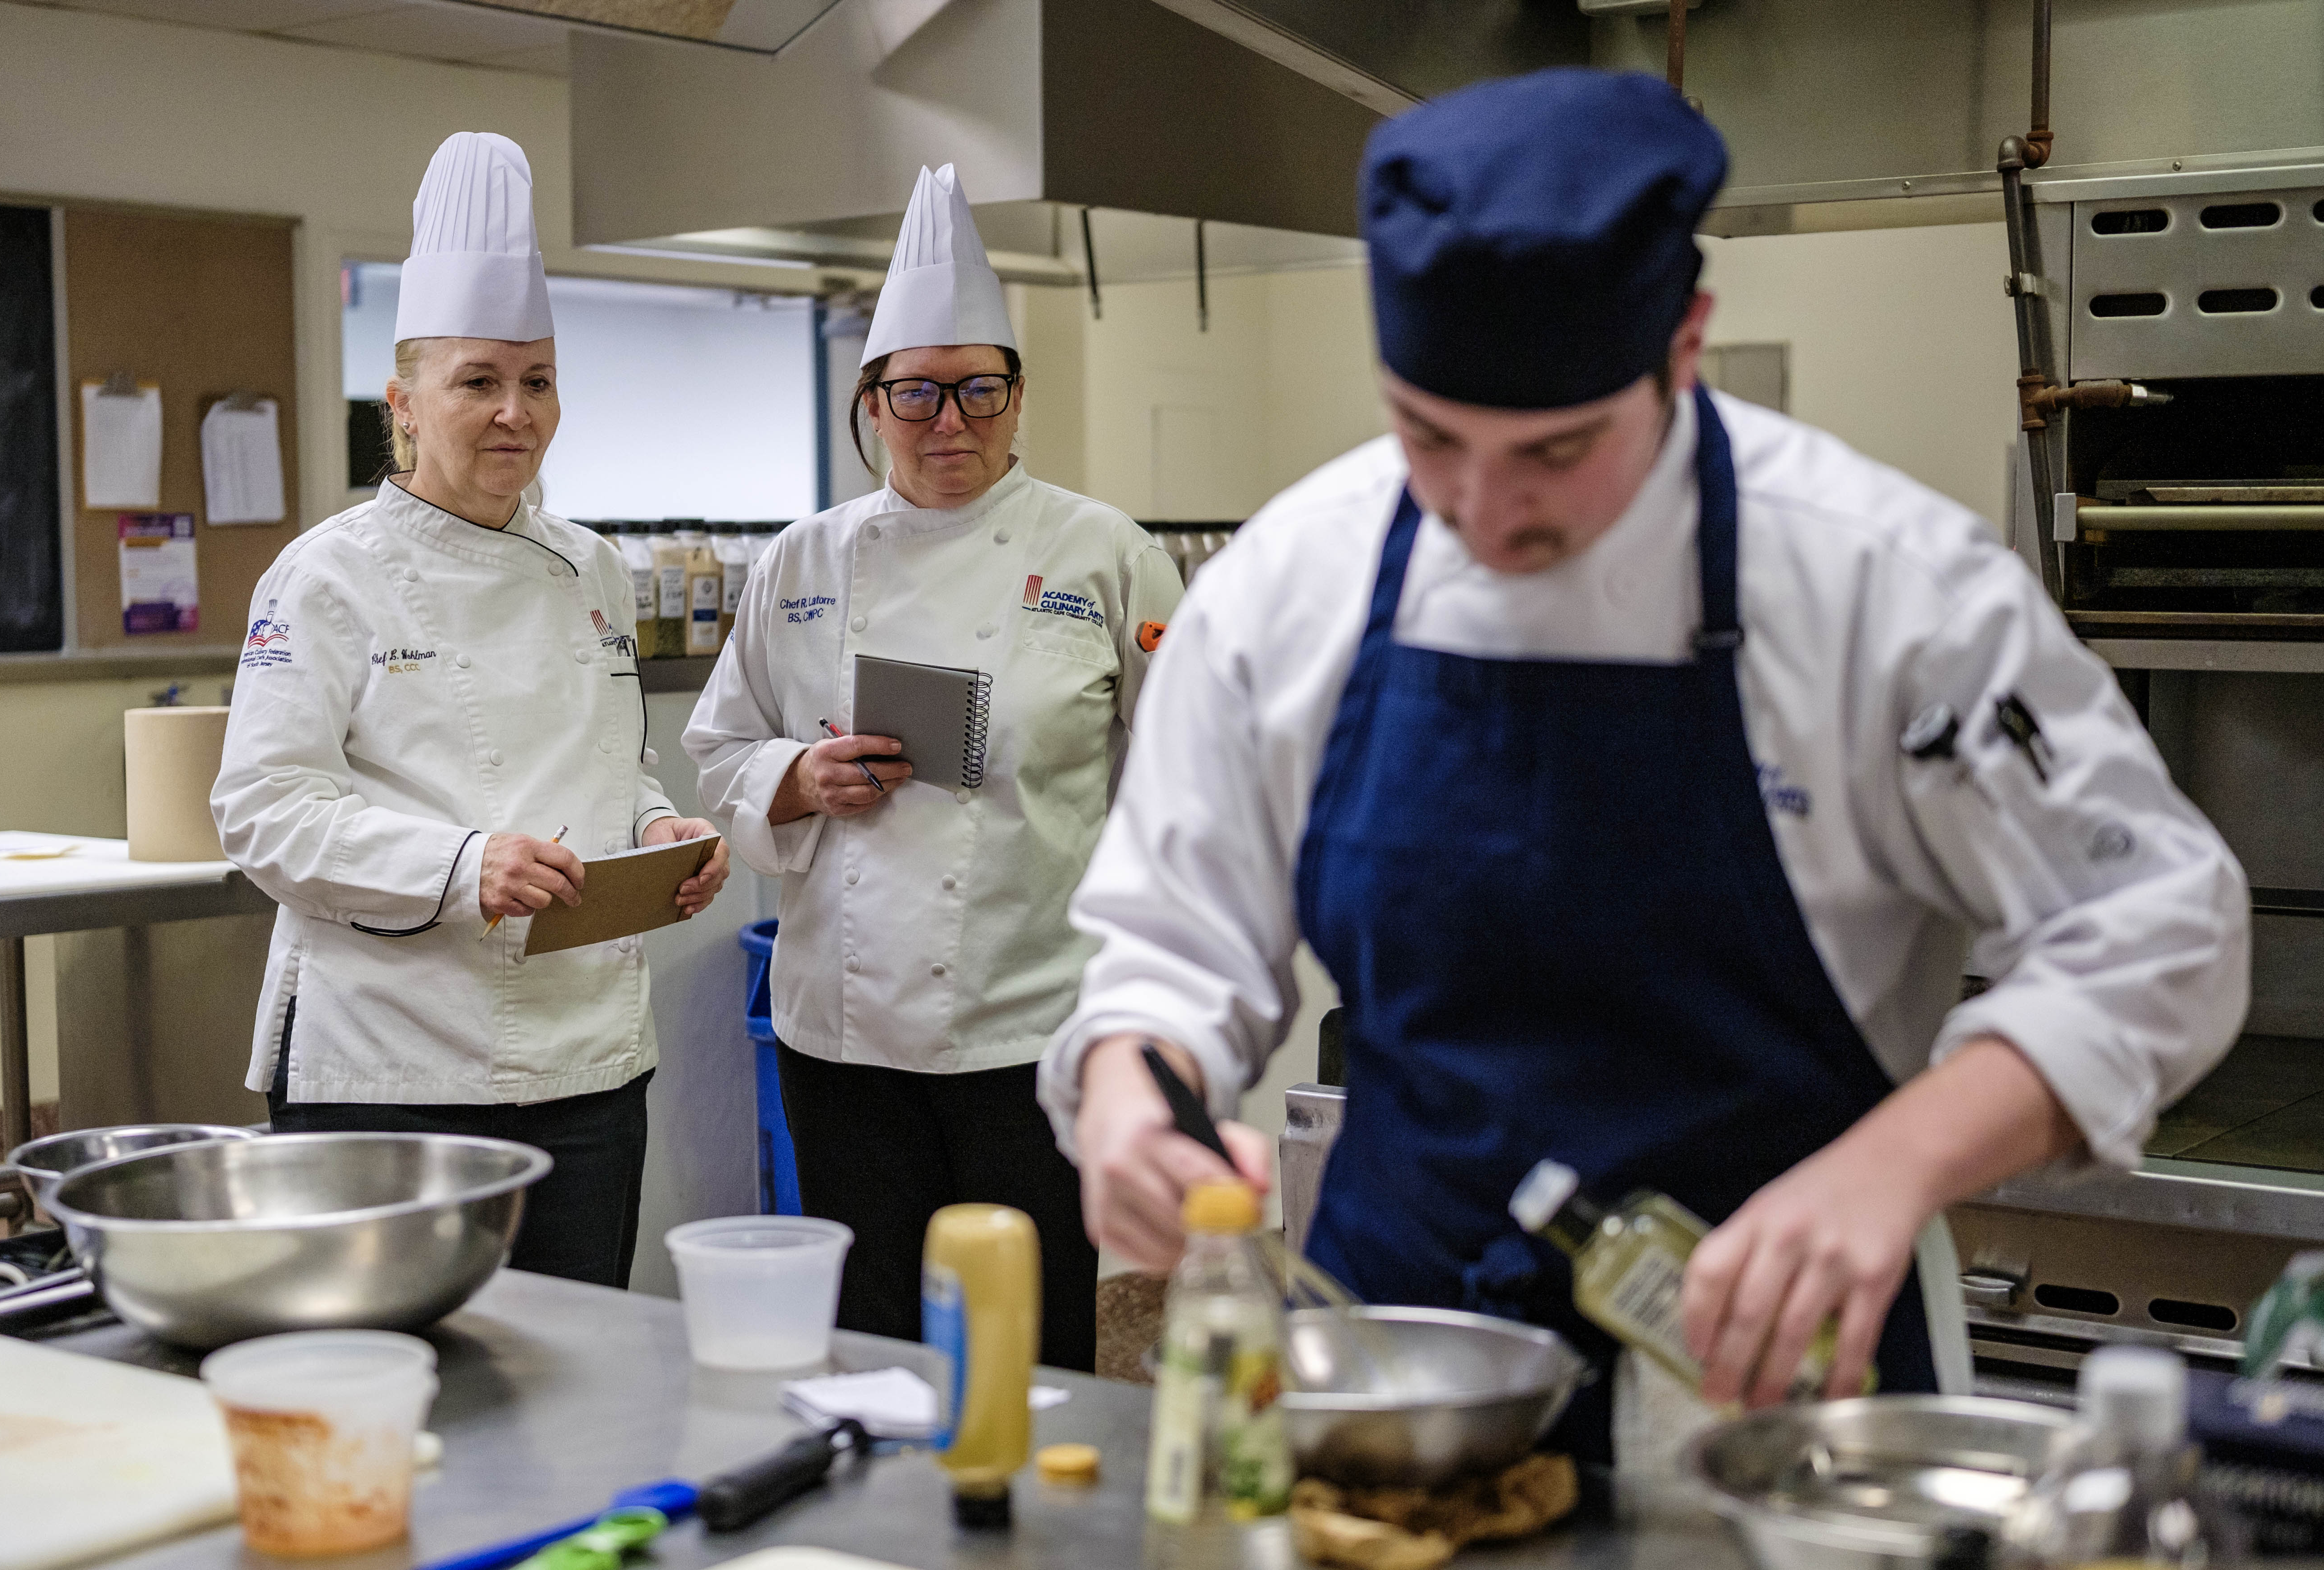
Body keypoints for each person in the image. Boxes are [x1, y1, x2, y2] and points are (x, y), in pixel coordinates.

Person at [1040, 69, 2249, 1461]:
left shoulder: (1887, 588)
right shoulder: (1285, 586)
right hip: (1403, 1361)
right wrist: (1137, 1088)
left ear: (1686, 348)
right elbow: (1169, 944)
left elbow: (2161, 926)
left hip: (1779, 1368)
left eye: (1556, 451)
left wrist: (1897, 1165)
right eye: (1430, 438)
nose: (1488, 510)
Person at [684, 165, 1182, 1372]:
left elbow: (1180, 793)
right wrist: (801, 780)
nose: (948, 421)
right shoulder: (799, 560)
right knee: (871, 1341)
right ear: (873, 402)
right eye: (917, 394)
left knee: (1036, 1337)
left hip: (1033, 1027)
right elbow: (720, 750)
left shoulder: (1104, 554)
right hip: (841, 1044)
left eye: (977, 391)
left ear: (1017, 399)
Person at [213, 132, 729, 1289]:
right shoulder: (324, 577)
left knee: (579, 1368)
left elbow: (611, 767)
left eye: (537, 381)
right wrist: (463, 865)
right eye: (479, 382)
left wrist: (657, 830)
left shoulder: (594, 569)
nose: (516, 414)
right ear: (404, 402)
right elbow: (262, 811)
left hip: (592, 1059)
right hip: (395, 1067)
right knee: (402, 1387)